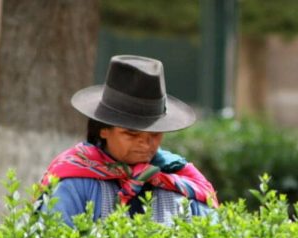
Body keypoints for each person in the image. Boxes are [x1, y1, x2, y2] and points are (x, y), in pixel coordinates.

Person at [41, 55, 217, 226]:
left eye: (155, 135)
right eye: (131, 134)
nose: (145, 143)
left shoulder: (182, 181)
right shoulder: (72, 183)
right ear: (103, 130)